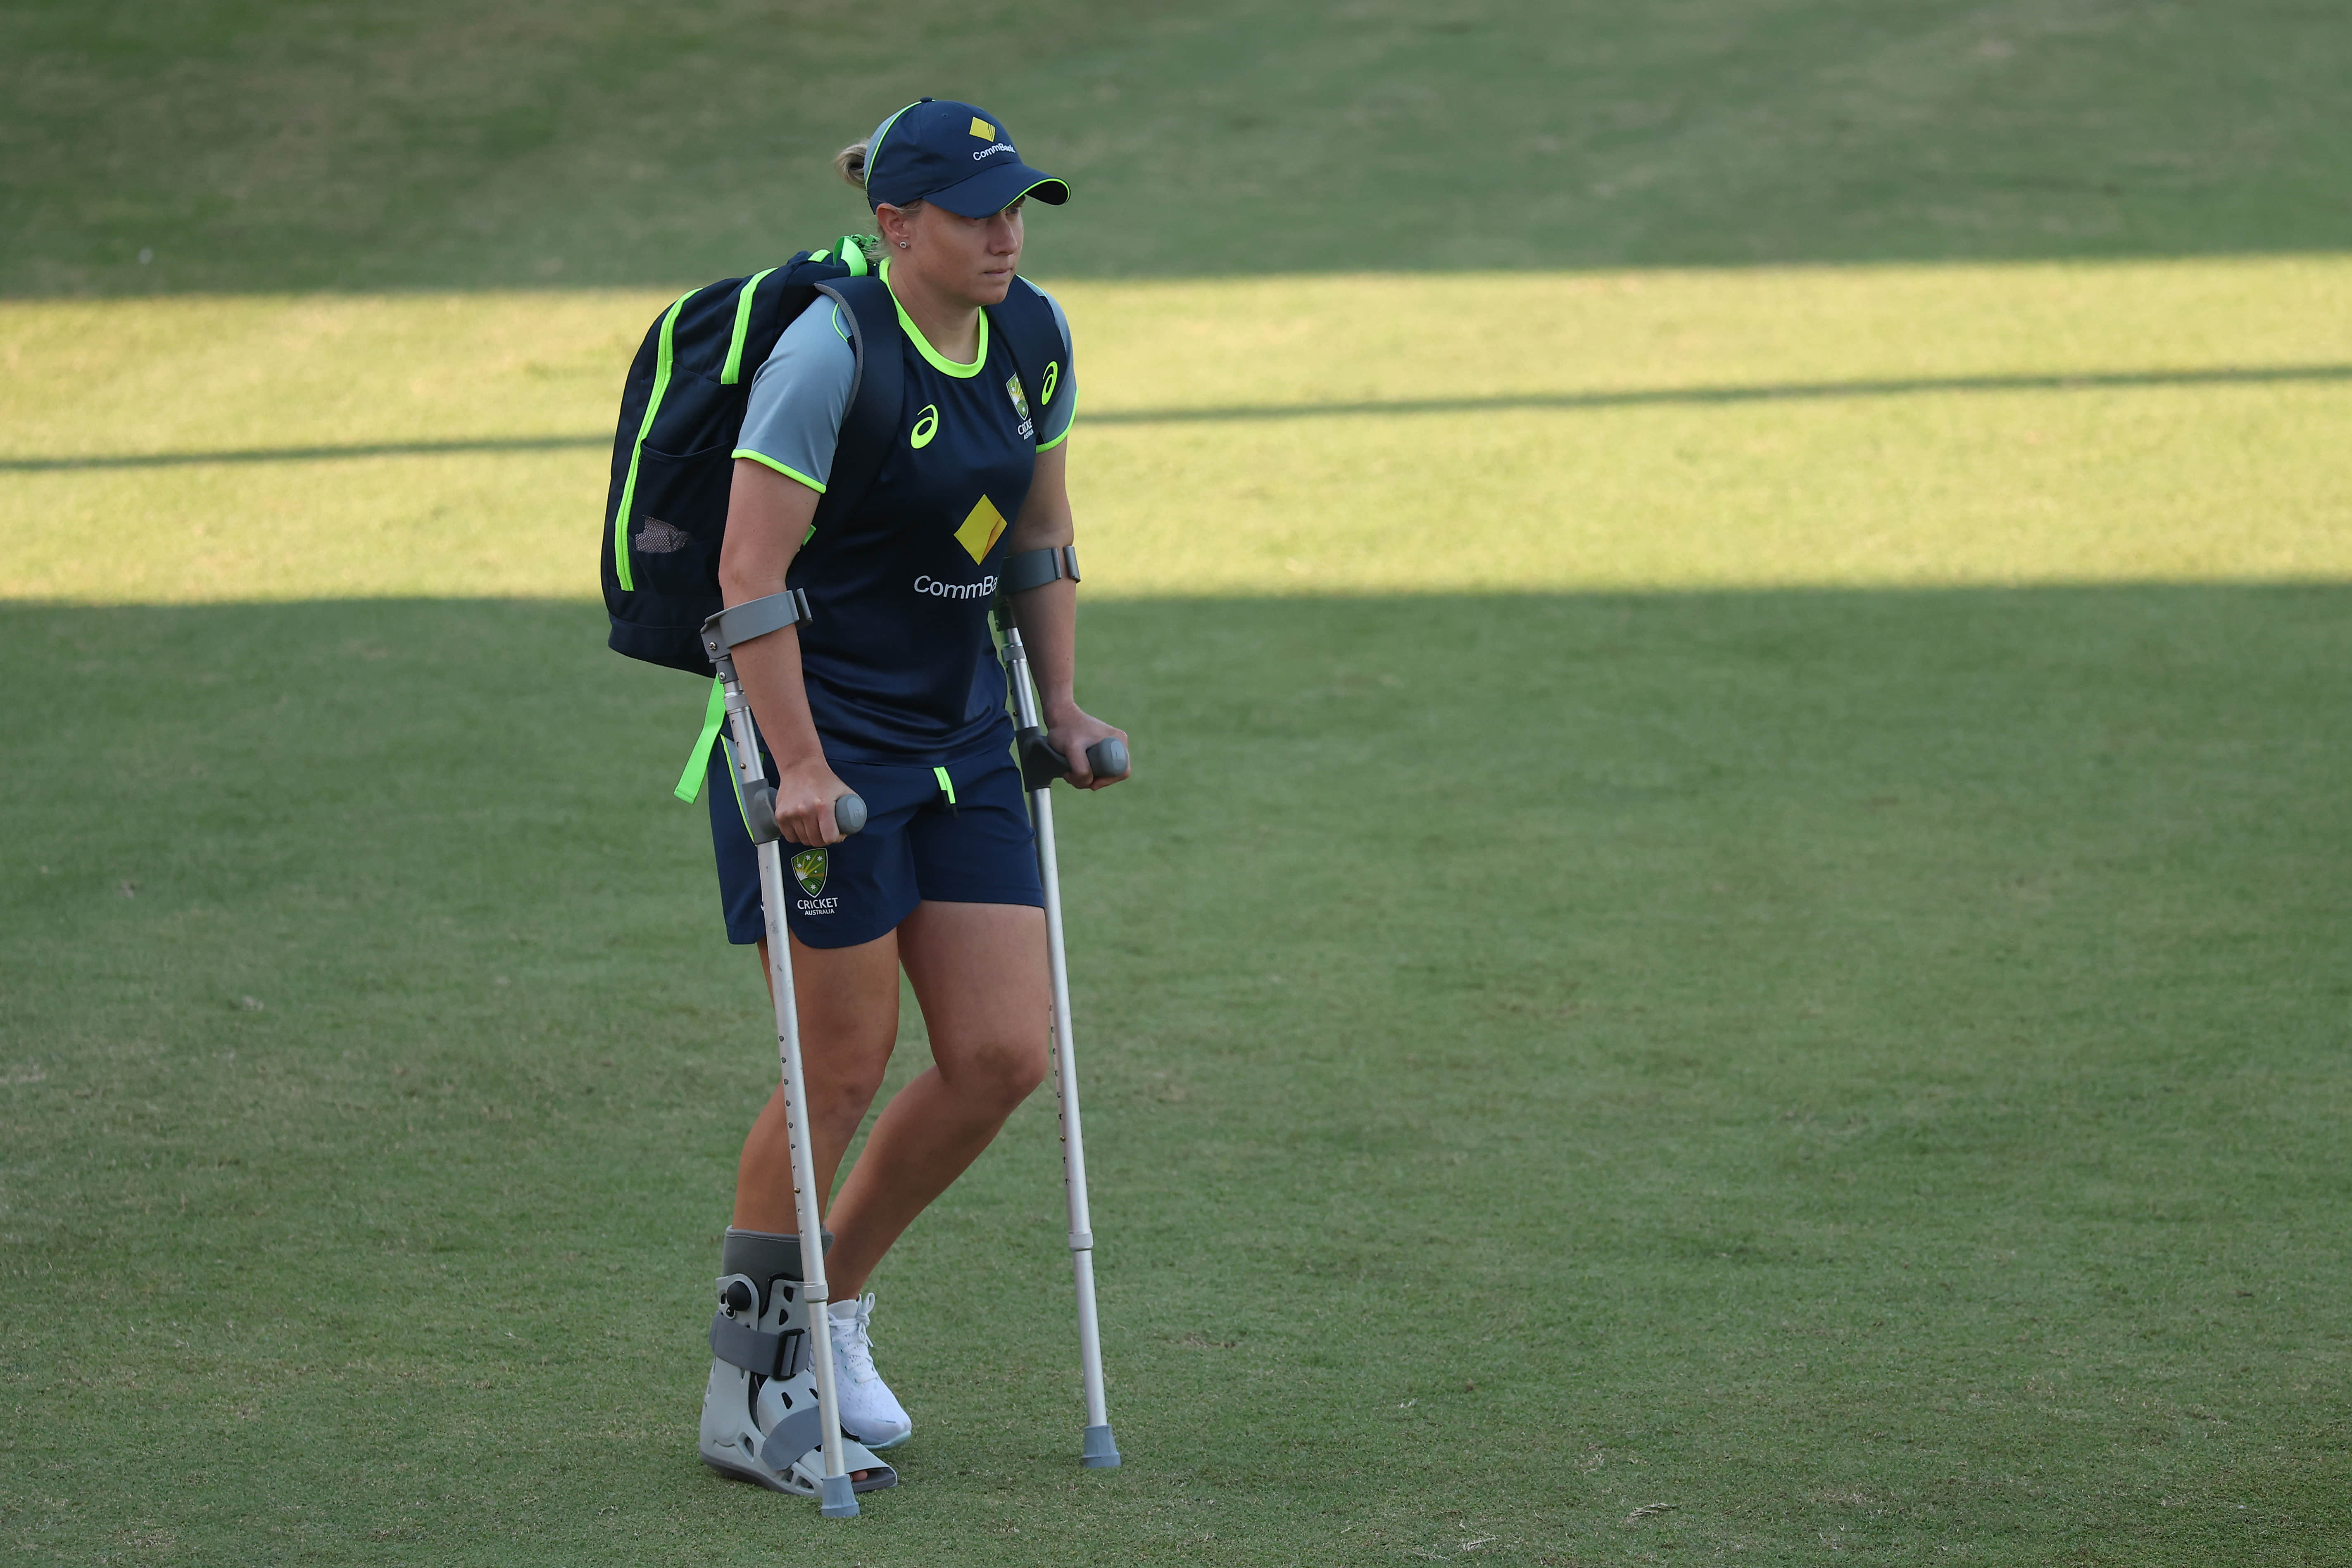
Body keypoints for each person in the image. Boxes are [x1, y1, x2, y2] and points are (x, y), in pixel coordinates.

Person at [694, 98, 1125, 1495]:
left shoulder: (1037, 334)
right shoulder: (832, 353)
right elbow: (749, 569)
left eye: (1019, 208)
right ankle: (746, 1392)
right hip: (818, 740)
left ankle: (833, 1313)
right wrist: (802, 761)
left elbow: (1041, 533)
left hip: (961, 733)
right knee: (837, 1065)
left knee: (1003, 1054)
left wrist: (1059, 707)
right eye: (976, 212)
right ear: (897, 224)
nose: (1008, 233)